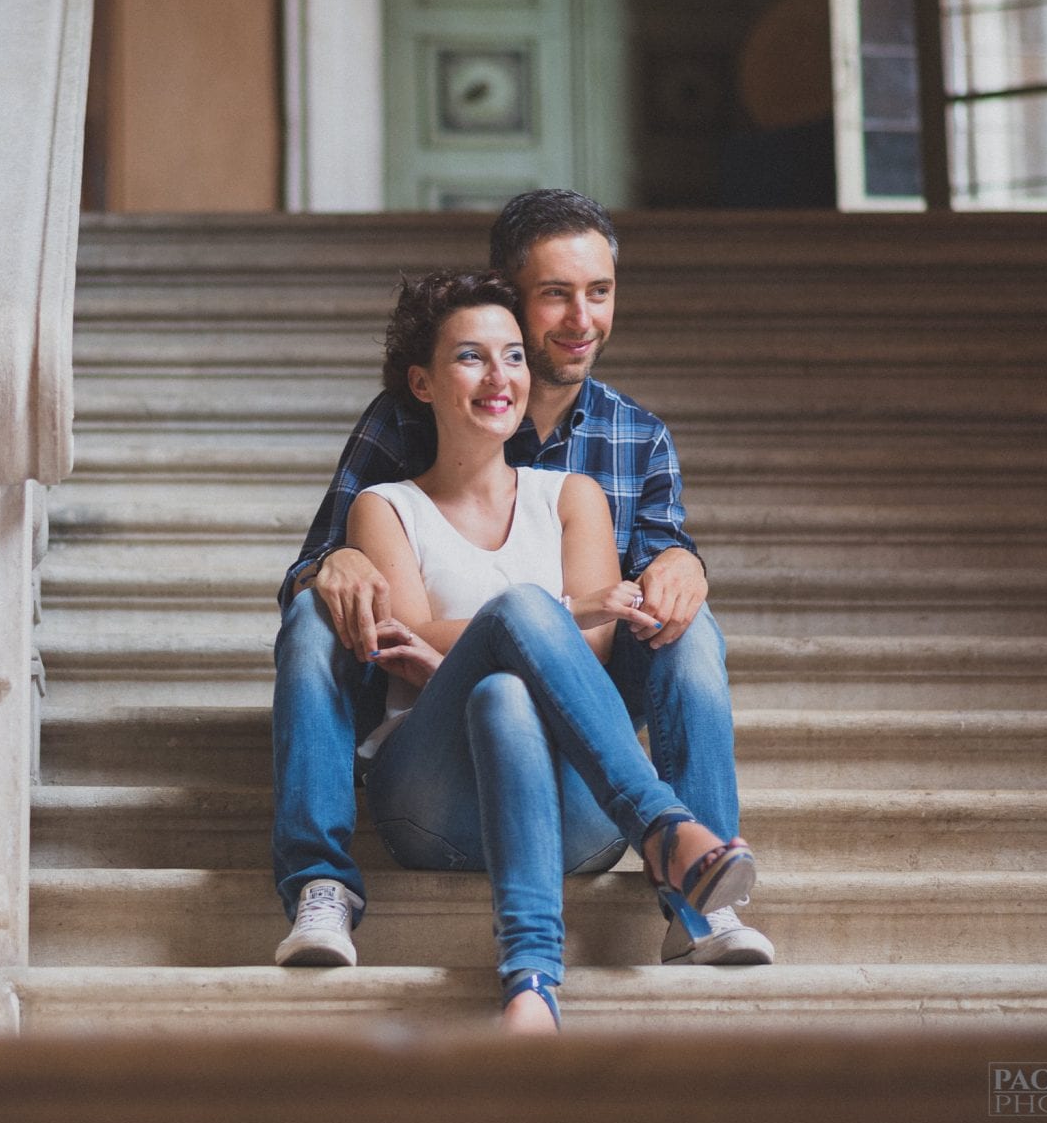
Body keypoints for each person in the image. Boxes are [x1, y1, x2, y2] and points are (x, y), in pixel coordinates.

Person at [271, 189, 774, 978]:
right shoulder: (398, 429)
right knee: (313, 617)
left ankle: (697, 902)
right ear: (508, 298)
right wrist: (326, 564)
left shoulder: (627, 444)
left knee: (689, 630)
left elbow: (632, 607)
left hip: (575, 741)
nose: (581, 319)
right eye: (554, 295)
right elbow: (357, 603)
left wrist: (684, 564)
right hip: (433, 747)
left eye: (599, 292)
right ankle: (321, 882)